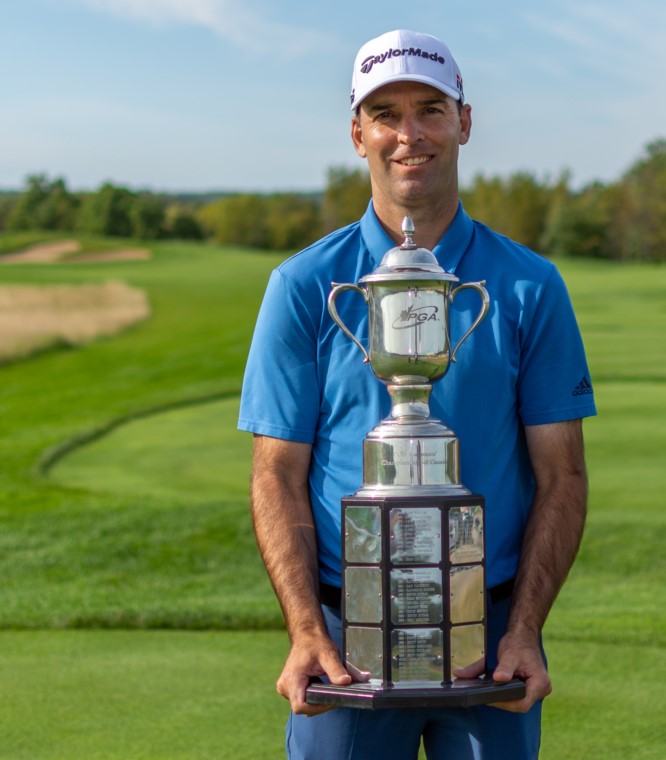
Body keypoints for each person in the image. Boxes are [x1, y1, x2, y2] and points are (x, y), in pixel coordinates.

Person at [237, 29, 596, 760]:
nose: (410, 134)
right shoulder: (305, 287)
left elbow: (562, 475)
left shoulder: (530, 286)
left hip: (488, 635)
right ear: (357, 133)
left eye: (430, 109)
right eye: (386, 113)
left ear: (464, 122)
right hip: (349, 637)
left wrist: (525, 629)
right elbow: (277, 475)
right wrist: (306, 631)